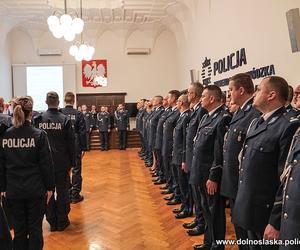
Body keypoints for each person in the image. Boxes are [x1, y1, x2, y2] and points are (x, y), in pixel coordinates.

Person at [232, 76, 300, 250]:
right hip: (248, 206)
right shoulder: (257, 122)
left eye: (259, 90)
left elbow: (285, 178)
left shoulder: (288, 125)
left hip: (266, 212)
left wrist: (276, 221)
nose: (254, 93)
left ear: (271, 95)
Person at [0, 96, 55, 250]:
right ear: (31, 113)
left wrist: (3, 188)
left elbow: (1, 164)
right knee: (35, 230)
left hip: (13, 190)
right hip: (35, 190)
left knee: (19, 231)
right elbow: (46, 165)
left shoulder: (5, 136)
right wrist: (50, 188)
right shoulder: (39, 135)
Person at [220, 73, 261, 250]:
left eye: (230, 90)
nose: (228, 94)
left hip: (244, 184)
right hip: (234, 181)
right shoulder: (242, 111)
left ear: (241, 90)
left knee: (249, 234)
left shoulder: (254, 113)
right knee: (240, 229)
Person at [192, 85, 232, 250]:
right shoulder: (207, 117)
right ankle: (209, 242)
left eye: (203, 96)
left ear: (212, 99)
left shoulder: (223, 118)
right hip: (200, 172)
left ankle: (218, 245)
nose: (200, 99)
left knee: (215, 213)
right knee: (207, 211)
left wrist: (213, 177)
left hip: (210, 176)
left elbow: (219, 152)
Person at [34, 92, 75, 232]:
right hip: (61, 163)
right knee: (63, 192)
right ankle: (62, 221)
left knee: (47, 192)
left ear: (46, 102)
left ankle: (52, 220)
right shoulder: (65, 119)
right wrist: (72, 164)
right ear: (58, 103)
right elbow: (71, 143)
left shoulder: (38, 119)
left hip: (43, 165)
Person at [182, 82, 207, 236]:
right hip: (191, 158)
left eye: (190, 92)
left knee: (199, 195)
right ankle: (198, 219)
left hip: (198, 160)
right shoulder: (195, 111)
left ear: (195, 94)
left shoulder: (201, 111)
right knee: (196, 193)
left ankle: (202, 222)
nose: (187, 94)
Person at [60, 92, 87, 204]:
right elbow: (82, 132)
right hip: (75, 144)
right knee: (76, 169)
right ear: (74, 101)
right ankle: (75, 195)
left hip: (62, 145)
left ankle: (65, 193)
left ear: (65, 101)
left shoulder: (60, 112)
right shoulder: (79, 114)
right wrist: (84, 147)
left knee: (64, 169)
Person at [172, 94, 192, 219]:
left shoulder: (186, 117)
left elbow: (186, 141)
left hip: (181, 156)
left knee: (184, 185)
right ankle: (184, 206)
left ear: (182, 103)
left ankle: (187, 208)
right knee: (180, 183)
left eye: (178, 101)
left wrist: (184, 159)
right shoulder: (181, 116)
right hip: (177, 154)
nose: (176, 103)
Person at [161, 90, 181, 205]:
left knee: (175, 173)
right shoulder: (171, 112)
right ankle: (173, 190)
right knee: (170, 170)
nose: (167, 99)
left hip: (172, 147)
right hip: (167, 145)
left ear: (174, 98)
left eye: (168, 97)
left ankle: (177, 193)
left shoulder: (178, 113)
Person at [154, 96, 172, 186]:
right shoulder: (165, 111)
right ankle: (163, 177)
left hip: (165, 142)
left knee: (167, 165)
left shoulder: (169, 111)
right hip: (160, 140)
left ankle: (167, 181)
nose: (165, 100)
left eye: (166, 99)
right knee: (162, 162)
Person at [148, 96, 165, 184]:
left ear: (159, 101)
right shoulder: (155, 110)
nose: (152, 101)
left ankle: (161, 175)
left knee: (160, 158)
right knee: (156, 156)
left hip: (157, 138)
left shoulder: (161, 111)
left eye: (154, 99)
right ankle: (159, 172)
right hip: (153, 137)